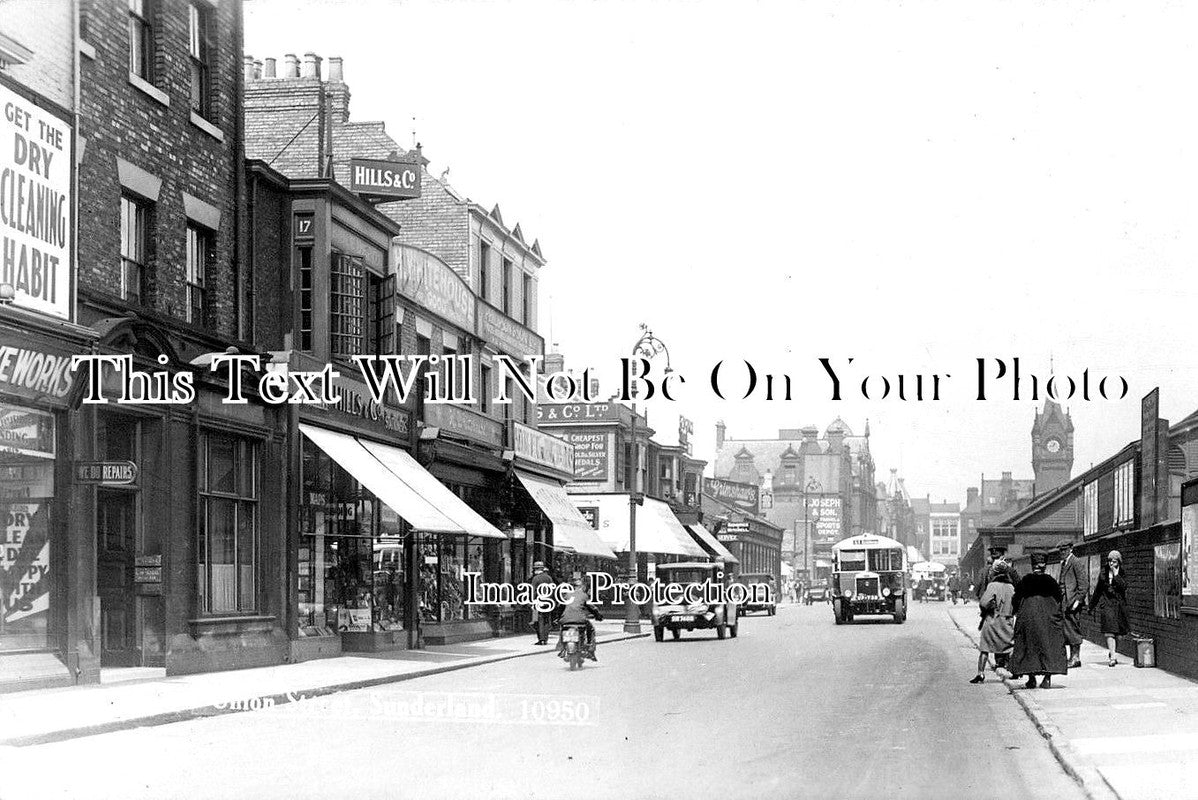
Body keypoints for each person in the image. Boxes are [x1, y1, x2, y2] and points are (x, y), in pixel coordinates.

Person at [1009, 553, 1068, 689]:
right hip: (1048, 619)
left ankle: (1031, 678)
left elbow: (1015, 600)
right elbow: (1059, 599)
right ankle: (1047, 678)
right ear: (1044, 566)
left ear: (1032, 565)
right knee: (1049, 646)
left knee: (1029, 646)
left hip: (1028, 619)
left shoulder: (1025, 581)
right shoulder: (1051, 581)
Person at [971, 563, 1015, 683]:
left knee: (985, 648)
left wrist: (990, 608)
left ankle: (980, 674)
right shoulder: (1011, 587)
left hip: (992, 620)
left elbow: (984, 603)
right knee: (1010, 647)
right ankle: (1014, 671)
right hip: (1007, 621)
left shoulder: (992, 585)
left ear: (994, 573)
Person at [1089, 550, 1130, 667]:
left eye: (1114, 561)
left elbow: (1124, 587)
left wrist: (1116, 574)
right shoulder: (1103, 573)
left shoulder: (1122, 573)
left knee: (1120, 635)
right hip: (1107, 606)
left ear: (1119, 562)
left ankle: (1113, 651)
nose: (1111, 563)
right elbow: (1097, 591)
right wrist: (1091, 606)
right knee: (1109, 632)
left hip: (1120, 607)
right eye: (1110, 561)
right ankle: (1113, 656)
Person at [1056, 540, 1089, 668]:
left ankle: (1075, 658)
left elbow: (1083, 584)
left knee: (1073, 629)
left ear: (1070, 549)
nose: (1062, 552)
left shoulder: (1076, 562)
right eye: (1060, 550)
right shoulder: (1064, 563)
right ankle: (1071, 657)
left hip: (1072, 602)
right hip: (1064, 602)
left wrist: (1078, 601)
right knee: (1066, 630)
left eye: (1064, 550)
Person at [558, 576, 603, 659]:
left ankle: (562, 648)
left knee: (562, 629)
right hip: (580, 620)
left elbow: (560, 607)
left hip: (566, 620)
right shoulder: (584, 595)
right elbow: (592, 607)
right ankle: (590, 648)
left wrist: (558, 618)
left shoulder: (567, 595)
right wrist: (598, 616)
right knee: (591, 629)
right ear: (582, 587)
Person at [529, 561, 556, 645]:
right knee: (546, 620)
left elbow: (533, 591)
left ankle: (541, 639)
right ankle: (545, 638)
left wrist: (531, 602)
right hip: (549, 602)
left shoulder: (536, 578)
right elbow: (553, 589)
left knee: (539, 620)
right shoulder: (549, 578)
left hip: (539, 602)